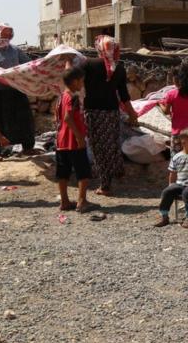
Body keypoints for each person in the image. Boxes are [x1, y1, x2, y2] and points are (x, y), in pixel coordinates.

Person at [82, 35, 138, 196]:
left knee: (98, 148)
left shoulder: (88, 64)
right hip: (112, 112)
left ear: (99, 48)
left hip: (93, 112)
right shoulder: (119, 68)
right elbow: (124, 95)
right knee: (112, 143)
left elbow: (73, 78)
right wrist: (132, 114)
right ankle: (118, 171)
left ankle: (105, 185)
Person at [0, 23, 36, 155]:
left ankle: (28, 147)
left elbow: (27, 63)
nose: (9, 35)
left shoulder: (14, 49)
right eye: (6, 32)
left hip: (16, 91)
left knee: (23, 119)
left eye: (11, 32)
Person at [55, 67, 93, 213]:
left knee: (63, 172)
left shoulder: (61, 97)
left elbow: (57, 117)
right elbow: (68, 118)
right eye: (81, 81)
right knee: (83, 171)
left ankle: (64, 201)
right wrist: (79, 137)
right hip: (73, 141)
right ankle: (82, 201)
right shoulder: (73, 97)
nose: (82, 84)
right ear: (75, 81)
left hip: (61, 141)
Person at [154, 128, 188, 228]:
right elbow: (173, 173)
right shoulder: (176, 157)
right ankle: (164, 216)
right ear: (183, 143)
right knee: (167, 191)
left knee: (187, 193)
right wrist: (171, 185)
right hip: (179, 184)